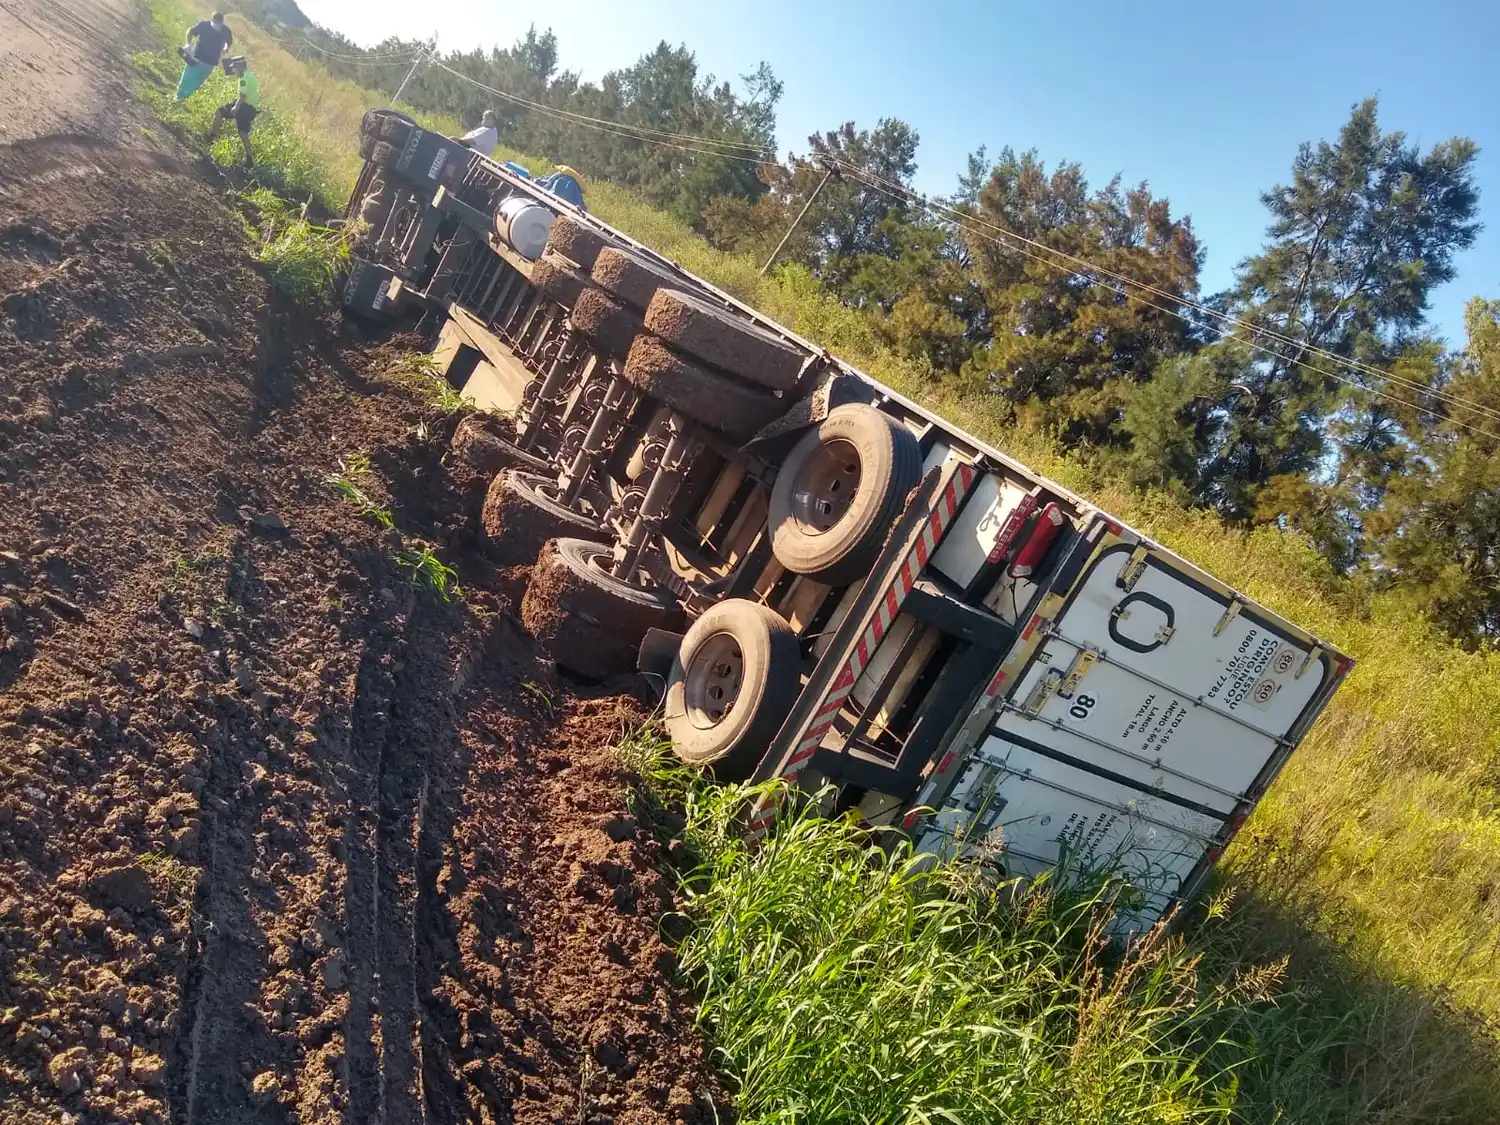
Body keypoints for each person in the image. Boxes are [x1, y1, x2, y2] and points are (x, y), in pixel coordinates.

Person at [208, 57, 260, 167]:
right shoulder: (250, 76)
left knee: (219, 113)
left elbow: (243, 95)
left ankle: (212, 140)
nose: (234, 71)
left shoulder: (244, 78)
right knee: (243, 133)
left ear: (240, 67)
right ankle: (250, 160)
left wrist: (236, 107)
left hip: (243, 107)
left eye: (235, 69)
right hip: (250, 109)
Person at [177, 11, 233, 101]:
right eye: (215, 22)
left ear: (222, 22)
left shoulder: (226, 31)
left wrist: (225, 49)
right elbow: (190, 31)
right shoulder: (204, 25)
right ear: (212, 19)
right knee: (187, 78)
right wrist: (188, 44)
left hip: (210, 63)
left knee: (197, 83)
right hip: (196, 58)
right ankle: (178, 97)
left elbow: (228, 43)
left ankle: (186, 99)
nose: (217, 25)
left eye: (219, 23)